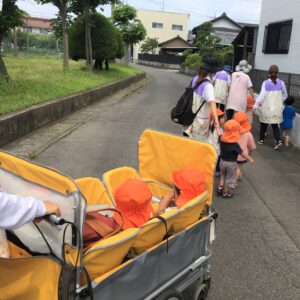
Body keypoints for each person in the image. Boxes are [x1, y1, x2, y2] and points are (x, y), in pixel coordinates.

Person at [217, 120, 254, 198]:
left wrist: (217, 126)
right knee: (229, 178)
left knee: (223, 175)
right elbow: (242, 153)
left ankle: (220, 188)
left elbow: (218, 132)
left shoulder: (221, 138)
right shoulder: (234, 144)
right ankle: (226, 193)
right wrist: (249, 158)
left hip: (222, 161)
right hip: (231, 163)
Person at [254, 65, 288, 150]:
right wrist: (280, 101)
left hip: (267, 107)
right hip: (277, 108)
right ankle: (278, 141)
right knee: (275, 125)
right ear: (277, 73)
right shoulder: (282, 83)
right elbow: (285, 95)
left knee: (264, 123)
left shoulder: (265, 83)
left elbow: (262, 95)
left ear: (269, 73)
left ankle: (261, 140)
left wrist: (256, 104)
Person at [190, 57, 220, 142]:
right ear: (213, 72)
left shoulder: (196, 78)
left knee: (191, 141)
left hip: (192, 115)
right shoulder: (208, 85)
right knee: (199, 144)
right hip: (201, 120)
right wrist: (216, 120)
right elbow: (212, 102)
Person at [233, 111, 256, 181]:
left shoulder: (232, 130)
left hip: (231, 153)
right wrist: (249, 154)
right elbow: (252, 146)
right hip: (242, 155)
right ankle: (234, 181)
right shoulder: (248, 134)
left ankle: (231, 179)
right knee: (238, 168)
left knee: (232, 167)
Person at [209, 108, 226, 176]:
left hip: (210, 146)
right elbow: (221, 140)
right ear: (218, 119)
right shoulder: (219, 130)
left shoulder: (210, 125)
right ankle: (217, 171)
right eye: (222, 118)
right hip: (217, 149)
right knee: (218, 160)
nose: (224, 119)